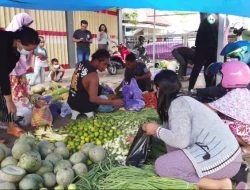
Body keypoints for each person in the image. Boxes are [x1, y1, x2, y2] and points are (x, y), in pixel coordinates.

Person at [142, 70, 242, 189]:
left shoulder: (178, 105)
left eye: (154, 89)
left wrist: (156, 130)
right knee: (170, 147)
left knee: (163, 165)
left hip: (224, 161)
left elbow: (180, 141)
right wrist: (152, 135)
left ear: (159, 89)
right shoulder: (181, 100)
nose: (153, 92)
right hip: (228, 156)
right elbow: (174, 135)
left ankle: (220, 185)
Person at [0, 26, 40, 138]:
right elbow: (2, 71)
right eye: (28, 49)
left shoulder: (15, 52)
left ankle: (11, 126)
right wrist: (9, 100)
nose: (29, 52)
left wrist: (6, 98)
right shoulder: (3, 40)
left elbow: (5, 73)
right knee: (7, 100)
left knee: (4, 97)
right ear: (18, 41)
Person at [67, 49, 124, 119]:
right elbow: (93, 99)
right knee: (110, 105)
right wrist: (112, 102)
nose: (105, 68)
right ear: (97, 61)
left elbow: (80, 80)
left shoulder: (82, 63)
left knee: (105, 93)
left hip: (71, 101)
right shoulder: (93, 76)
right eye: (104, 64)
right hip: (83, 106)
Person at [207, 61, 250, 153]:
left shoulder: (234, 94)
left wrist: (194, 103)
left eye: (222, 76)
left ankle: (246, 147)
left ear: (230, 77)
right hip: (247, 131)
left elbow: (210, 108)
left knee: (220, 123)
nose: (221, 79)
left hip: (246, 133)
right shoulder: (244, 91)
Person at [6, 13, 34, 100]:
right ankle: (17, 104)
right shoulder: (11, 33)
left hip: (19, 66)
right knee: (15, 85)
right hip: (13, 66)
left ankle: (22, 102)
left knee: (21, 84)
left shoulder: (21, 33)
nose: (27, 26)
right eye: (27, 23)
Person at [189, 14, 219, 90]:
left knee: (200, 69)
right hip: (207, 47)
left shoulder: (211, 19)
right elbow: (213, 32)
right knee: (202, 69)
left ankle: (193, 88)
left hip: (205, 48)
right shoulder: (211, 18)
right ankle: (205, 89)